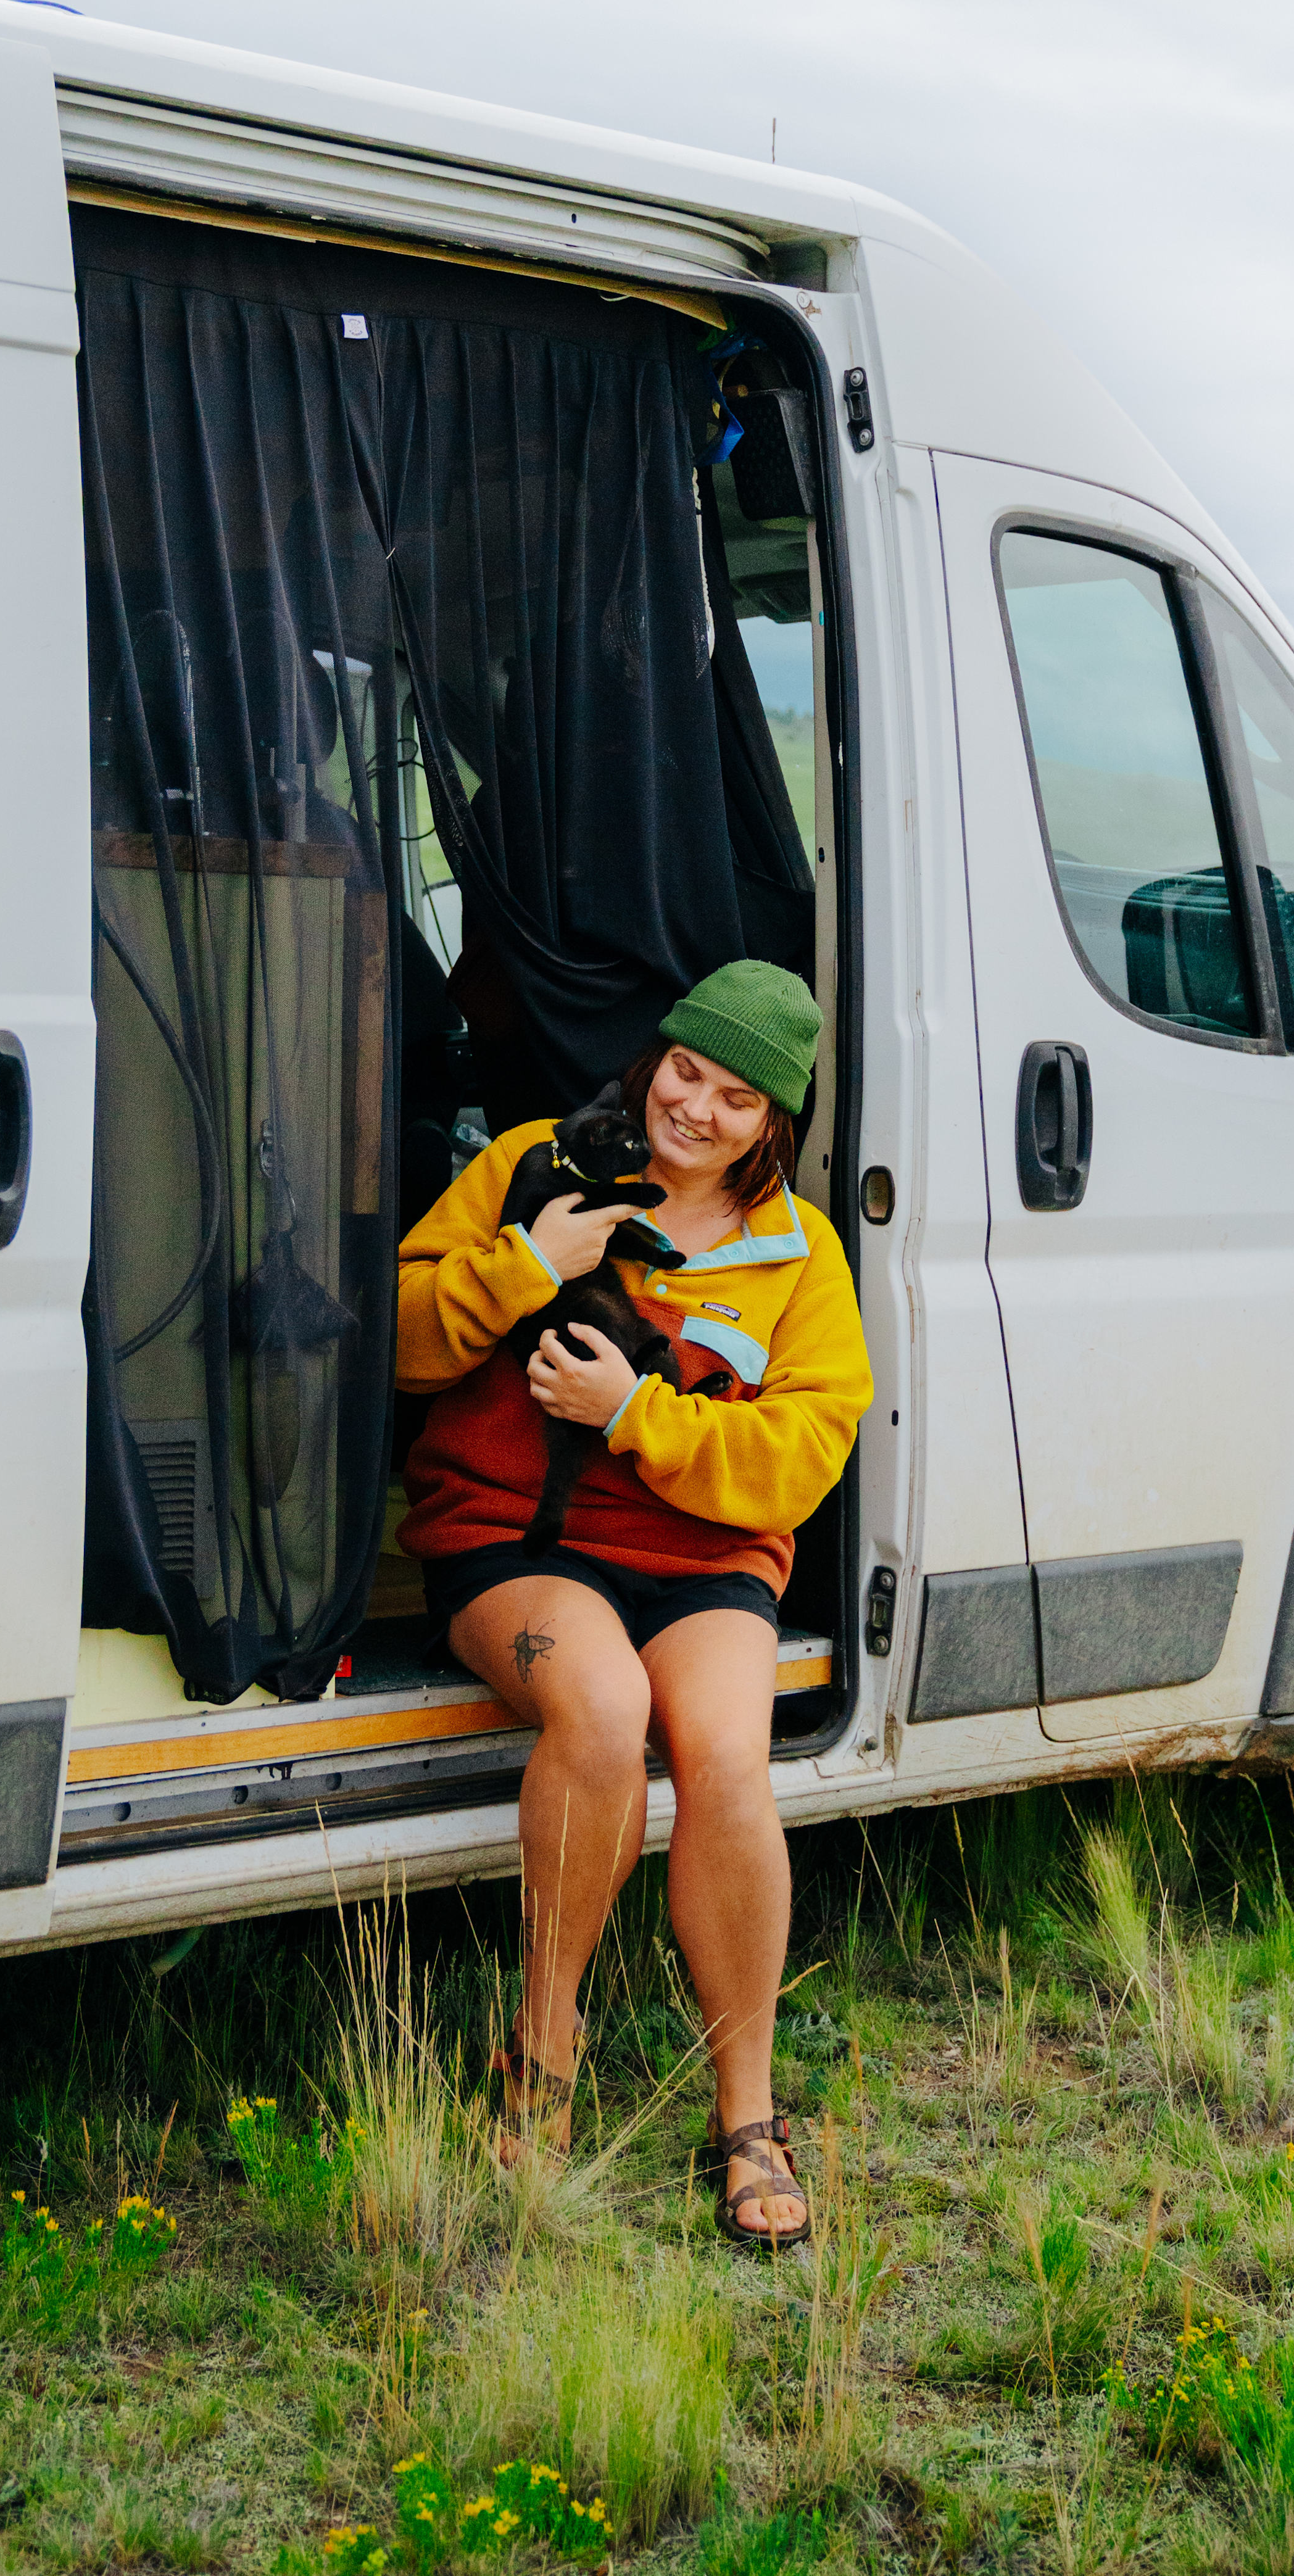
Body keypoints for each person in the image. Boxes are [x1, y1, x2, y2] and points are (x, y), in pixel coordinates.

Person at [394, 959, 873, 2251]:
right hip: (517, 1537)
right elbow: (393, 1339)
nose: (696, 1109)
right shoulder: (535, 1166)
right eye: (685, 1071)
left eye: (734, 1096)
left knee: (727, 1757)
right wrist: (518, 1266)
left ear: (774, 1123)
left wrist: (636, 1417)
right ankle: (543, 2049)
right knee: (602, 1715)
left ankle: (748, 2119)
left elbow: (804, 1456)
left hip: (703, 1555)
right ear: (653, 1061)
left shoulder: (800, 1254)